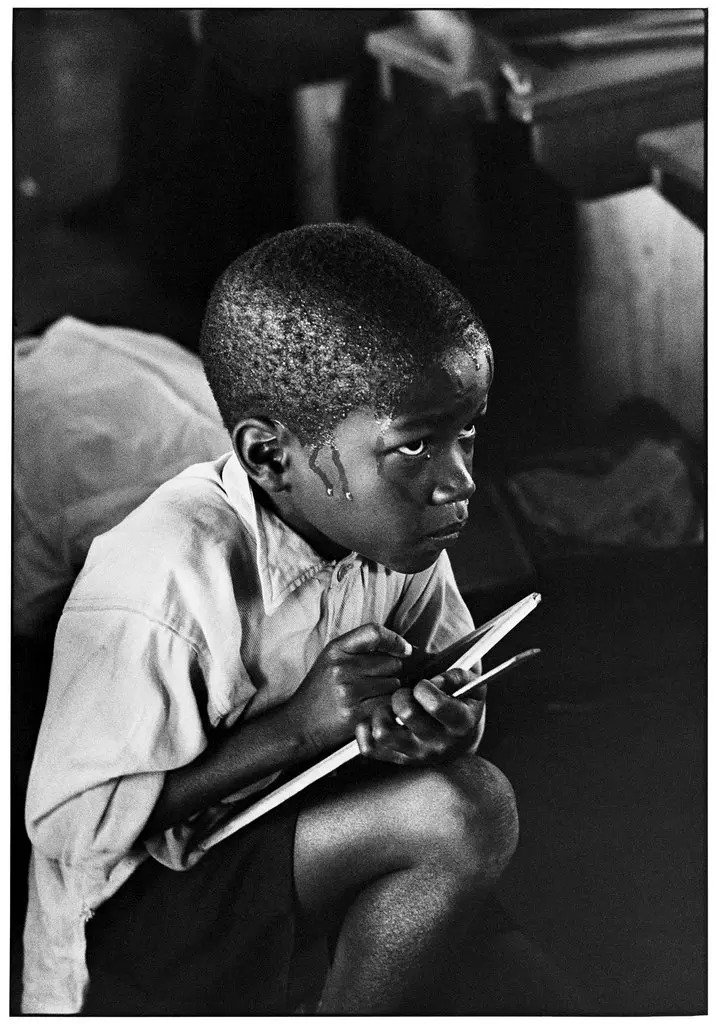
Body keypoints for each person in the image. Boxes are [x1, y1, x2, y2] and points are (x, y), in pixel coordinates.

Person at [23, 223, 518, 1014]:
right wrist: (302, 727)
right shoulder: (171, 576)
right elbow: (70, 828)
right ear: (268, 458)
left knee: (462, 793)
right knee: (465, 812)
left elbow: (455, 680)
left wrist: (443, 726)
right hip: (126, 920)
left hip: (262, 837)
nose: (458, 481)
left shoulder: (395, 532)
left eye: (468, 432)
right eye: (418, 447)